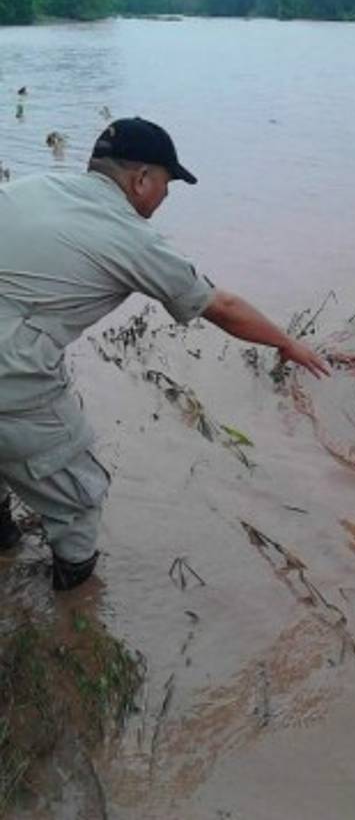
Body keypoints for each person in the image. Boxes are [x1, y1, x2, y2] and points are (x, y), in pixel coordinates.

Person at [0, 117, 329, 591]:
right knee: (79, 496)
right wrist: (287, 342)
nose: (166, 197)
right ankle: (73, 610)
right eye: (167, 184)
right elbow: (223, 307)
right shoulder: (129, 237)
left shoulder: (33, 188)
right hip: (13, 379)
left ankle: (5, 548)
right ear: (140, 179)